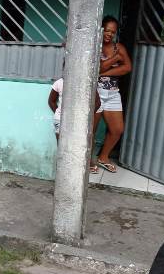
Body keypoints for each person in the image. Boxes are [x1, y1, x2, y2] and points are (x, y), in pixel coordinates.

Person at [94, 16, 132, 173]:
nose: (109, 34)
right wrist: (116, 59)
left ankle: (103, 157)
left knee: (117, 130)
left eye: (113, 32)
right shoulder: (94, 46)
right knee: (91, 130)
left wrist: (105, 72)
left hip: (113, 94)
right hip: (96, 94)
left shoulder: (119, 47)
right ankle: (88, 161)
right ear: (101, 29)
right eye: (107, 30)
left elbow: (127, 68)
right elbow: (97, 68)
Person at [48, 74, 101, 172]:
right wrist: (60, 114)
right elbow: (51, 101)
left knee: (78, 145)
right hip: (60, 119)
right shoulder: (59, 83)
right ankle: (62, 171)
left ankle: (79, 168)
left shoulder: (87, 82)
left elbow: (97, 103)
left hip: (79, 120)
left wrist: (85, 117)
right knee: (62, 147)